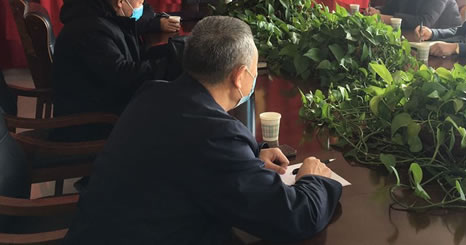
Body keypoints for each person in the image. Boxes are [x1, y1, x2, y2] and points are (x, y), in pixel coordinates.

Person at [64, 16, 342, 244]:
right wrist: (313, 178)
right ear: (239, 76)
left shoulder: (154, 93)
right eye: (255, 70)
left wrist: (251, 155)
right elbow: (295, 218)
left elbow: (188, 157)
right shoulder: (214, 135)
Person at [53, 0, 163, 120]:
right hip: (92, 118)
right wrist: (164, 66)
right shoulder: (92, 29)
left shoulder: (108, 15)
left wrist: (171, 52)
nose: (142, 8)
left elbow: (133, 55)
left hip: (105, 100)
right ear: (121, 2)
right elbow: (121, 73)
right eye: (140, 3)